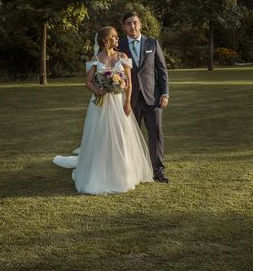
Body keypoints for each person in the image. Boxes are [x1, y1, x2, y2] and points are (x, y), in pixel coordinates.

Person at [53, 26, 154, 194]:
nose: (117, 39)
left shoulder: (122, 57)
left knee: (120, 136)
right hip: (99, 104)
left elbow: (129, 83)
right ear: (106, 40)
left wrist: (128, 102)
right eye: (114, 37)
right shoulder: (95, 59)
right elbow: (88, 81)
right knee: (100, 136)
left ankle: (123, 173)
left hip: (118, 103)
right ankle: (99, 173)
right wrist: (97, 90)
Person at [118, 11, 170, 183]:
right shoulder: (120, 46)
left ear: (140, 24)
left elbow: (161, 70)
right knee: (130, 136)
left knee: (156, 134)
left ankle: (158, 170)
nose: (132, 26)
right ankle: (132, 171)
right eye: (128, 23)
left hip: (152, 98)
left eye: (135, 23)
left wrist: (164, 93)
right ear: (124, 26)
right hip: (129, 99)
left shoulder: (152, 43)